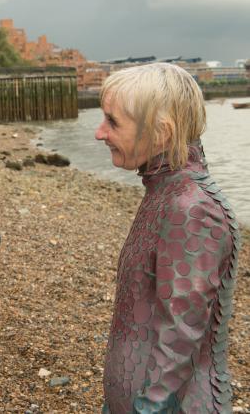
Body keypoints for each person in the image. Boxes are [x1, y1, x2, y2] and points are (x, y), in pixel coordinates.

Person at [95, 63, 241, 413]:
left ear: (160, 133)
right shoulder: (165, 192)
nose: (100, 133)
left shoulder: (192, 208)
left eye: (113, 122)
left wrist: (148, 410)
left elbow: (181, 335)